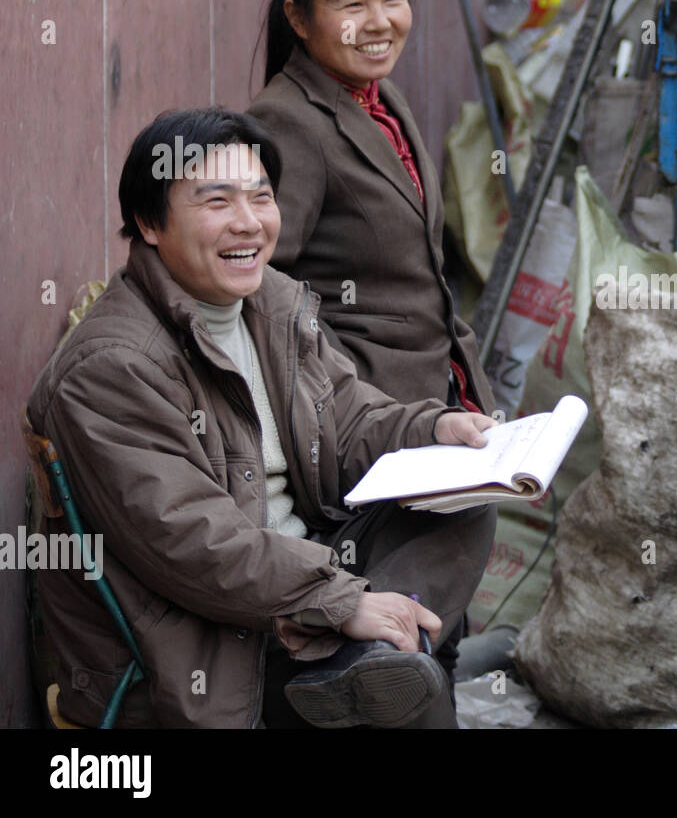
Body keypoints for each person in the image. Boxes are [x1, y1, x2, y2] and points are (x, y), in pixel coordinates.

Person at [27, 108, 496, 728]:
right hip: (216, 639)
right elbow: (197, 543)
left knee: (463, 498)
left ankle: (371, 653)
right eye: (215, 201)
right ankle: (370, 655)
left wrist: (434, 429)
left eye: (261, 196)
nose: (247, 222)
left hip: (300, 579)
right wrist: (337, 599)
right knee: (414, 698)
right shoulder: (112, 368)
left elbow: (349, 419)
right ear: (148, 223)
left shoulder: (268, 302)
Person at [247, 0, 497, 704]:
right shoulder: (289, 121)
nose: (380, 20)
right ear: (298, 17)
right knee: (466, 518)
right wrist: (330, 387)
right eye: (351, 3)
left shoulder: (375, 101)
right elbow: (257, 282)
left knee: (447, 613)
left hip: (431, 389)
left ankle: (400, 659)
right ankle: (346, 649)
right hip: (361, 405)